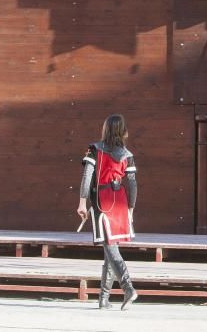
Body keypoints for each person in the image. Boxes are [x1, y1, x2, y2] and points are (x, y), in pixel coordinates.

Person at [77, 114, 138, 310]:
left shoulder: (95, 150)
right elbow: (133, 184)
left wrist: (81, 203)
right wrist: (131, 208)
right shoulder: (127, 155)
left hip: (103, 202)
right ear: (123, 130)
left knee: (110, 248)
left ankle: (128, 288)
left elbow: (87, 177)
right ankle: (103, 299)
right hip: (120, 201)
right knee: (109, 249)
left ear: (105, 129)